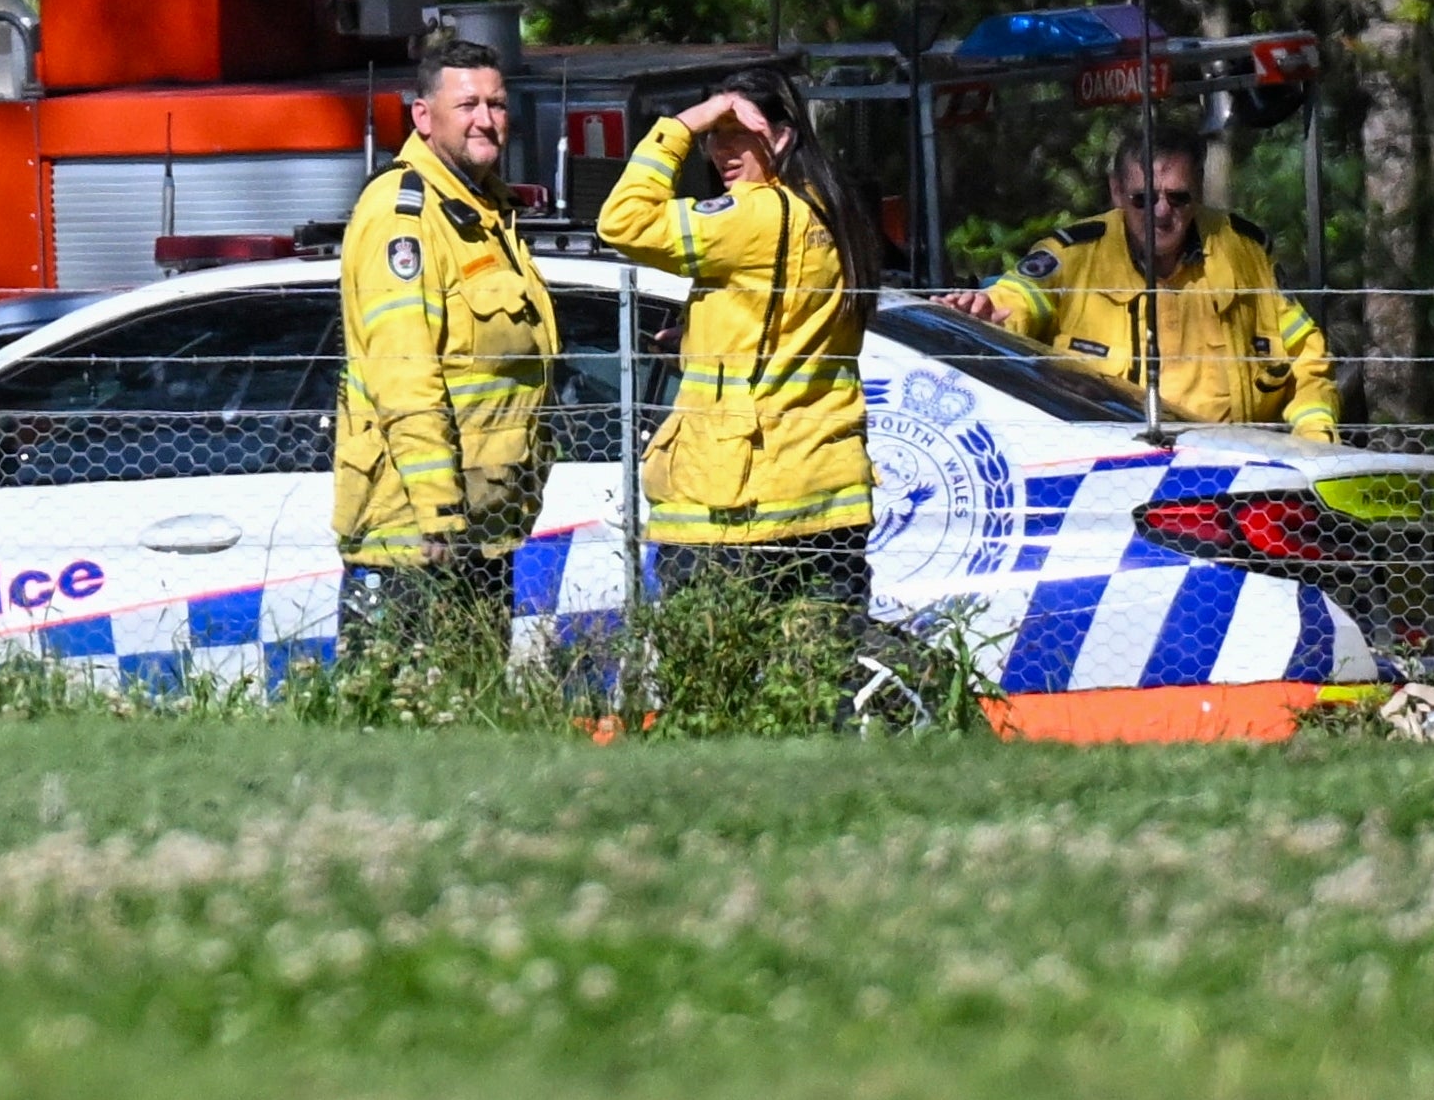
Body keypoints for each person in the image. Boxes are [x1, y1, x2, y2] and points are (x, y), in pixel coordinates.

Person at [593, 67, 880, 625]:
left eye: (734, 128)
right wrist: (703, 338)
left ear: (781, 136)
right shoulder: (827, 207)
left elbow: (622, 222)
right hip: (824, 491)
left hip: (739, 502)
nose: (718, 148)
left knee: (713, 692)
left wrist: (680, 124)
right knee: (819, 680)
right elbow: (786, 329)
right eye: (712, 133)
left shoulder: (756, 212)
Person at [333, 33, 562, 643]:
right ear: (423, 116)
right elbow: (404, 373)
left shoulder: (483, 213)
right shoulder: (403, 216)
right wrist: (438, 512)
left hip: (481, 530)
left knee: (468, 724)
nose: (486, 121)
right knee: (394, 723)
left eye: (497, 104)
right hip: (415, 538)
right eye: (467, 106)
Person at [938, 130, 1337, 439]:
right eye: (1143, 198)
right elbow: (1017, 299)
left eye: (1178, 198)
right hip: (1110, 474)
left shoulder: (1244, 251)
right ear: (1116, 191)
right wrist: (986, 312)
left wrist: (1316, 439)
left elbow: (1308, 359)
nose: (1162, 213)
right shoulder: (1074, 255)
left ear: (1198, 187)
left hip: (1234, 471)